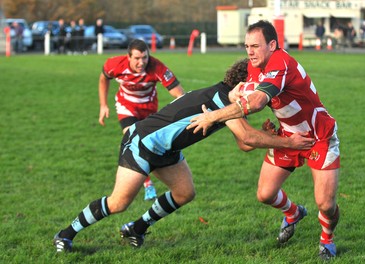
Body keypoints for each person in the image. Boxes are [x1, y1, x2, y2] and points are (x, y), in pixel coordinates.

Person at [53, 58, 314, 253]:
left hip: (166, 149)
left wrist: (263, 133)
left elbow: (245, 144)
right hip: (142, 143)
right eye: (256, 88)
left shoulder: (228, 104)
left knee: (184, 193)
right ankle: (65, 234)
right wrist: (289, 142)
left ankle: (137, 228)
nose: (260, 96)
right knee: (119, 202)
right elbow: (247, 139)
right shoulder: (220, 98)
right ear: (243, 85)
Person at [187, 20, 340, 261]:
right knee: (265, 194)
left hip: (318, 136)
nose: (249, 51)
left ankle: (327, 239)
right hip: (288, 135)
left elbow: (257, 102)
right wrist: (261, 130)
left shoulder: (280, 61)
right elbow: (244, 140)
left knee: (325, 204)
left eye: (255, 46)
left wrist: (214, 116)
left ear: (272, 45)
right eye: (247, 46)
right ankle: (293, 213)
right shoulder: (252, 68)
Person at [98, 39, 185, 201]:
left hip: (149, 108)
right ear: (128, 57)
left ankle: (161, 176)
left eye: (144, 57)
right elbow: (103, 79)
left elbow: (179, 93)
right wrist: (103, 105)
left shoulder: (157, 67)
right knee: (133, 138)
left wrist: (184, 111)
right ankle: (148, 184)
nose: (141, 62)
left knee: (150, 145)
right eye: (137, 58)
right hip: (126, 106)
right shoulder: (115, 64)